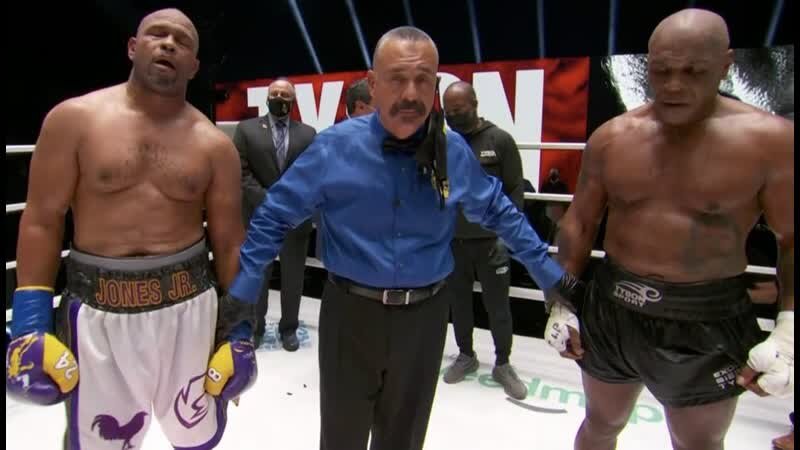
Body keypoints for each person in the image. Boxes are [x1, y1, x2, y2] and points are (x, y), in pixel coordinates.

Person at [225, 26, 576, 450]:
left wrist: (553, 279)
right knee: (341, 440)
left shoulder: (452, 150)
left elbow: (499, 210)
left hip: (425, 319)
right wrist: (240, 303)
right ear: (373, 85)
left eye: (423, 80)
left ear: (435, 86)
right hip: (349, 315)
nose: (411, 94)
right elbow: (273, 216)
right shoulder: (334, 147)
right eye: (397, 79)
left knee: (405, 440)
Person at [5, 9, 258, 449]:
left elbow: (230, 242)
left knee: (197, 435)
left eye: (182, 40)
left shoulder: (216, 146)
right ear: (132, 47)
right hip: (98, 311)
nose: (168, 43)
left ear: (194, 65)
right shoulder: (73, 120)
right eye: (157, 34)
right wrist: (30, 324)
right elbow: (42, 220)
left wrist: (238, 332)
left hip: (190, 311)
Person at [544, 9, 794, 450]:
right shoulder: (613, 137)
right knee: (600, 423)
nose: (674, 85)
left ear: (726, 64)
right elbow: (579, 222)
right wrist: (561, 301)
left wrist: (789, 328)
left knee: (697, 443)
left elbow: (791, 238)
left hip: (707, 316)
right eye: (661, 71)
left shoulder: (770, 141)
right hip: (613, 305)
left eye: (693, 71)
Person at [440, 81, 528, 399]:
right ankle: (466, 355)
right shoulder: (444, 144)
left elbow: (515, 189)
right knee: (459, 303)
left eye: (458, 110)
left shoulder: (499, 140)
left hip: (492, 242)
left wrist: (507, 232)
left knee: (498, 306)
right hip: (454, 242)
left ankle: (503, 363)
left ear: (474, 104)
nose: (453, 116)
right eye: (448, 111)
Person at [233, 78, 317, 351]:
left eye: (284, 94)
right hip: (259, 217)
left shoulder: (308, 133)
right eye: (274, 93)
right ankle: (256, 328)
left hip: (295, 218)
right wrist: (270, 202)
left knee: (294, 276)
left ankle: (289, 328)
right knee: (258, 275)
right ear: (267, 97)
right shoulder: (246, 130)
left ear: (293, 101)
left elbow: (311, 174)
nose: (279, 97)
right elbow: (241, 171)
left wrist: (289, 203)